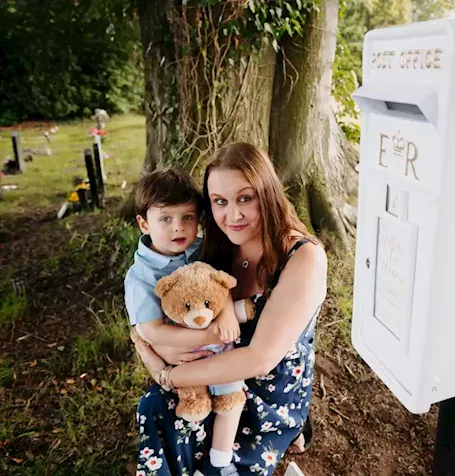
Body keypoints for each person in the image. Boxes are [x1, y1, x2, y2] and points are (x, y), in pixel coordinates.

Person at [132, 142, 328, 476]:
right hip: (215, 372)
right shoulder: (215, 244)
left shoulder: (303, 257)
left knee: (218, 468)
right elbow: (160, 309)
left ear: (267, 194)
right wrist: (142, 341)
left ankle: (287, 434)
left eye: (245, 199)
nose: (232, 216)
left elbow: (259, 359)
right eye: (219, 202)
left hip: (268, 394)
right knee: (156, 410)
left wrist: (167, 374)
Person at [124, 169, 246, 474]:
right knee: (185, 411)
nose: (178, 228)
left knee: (231, 398)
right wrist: (209, 337)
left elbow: (220, 287)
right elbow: (150, 329)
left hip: (217, 355)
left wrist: (228, 314)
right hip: (181, 359)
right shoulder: (141, 276)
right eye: (165, 219)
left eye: (188, 217)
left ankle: (220, 463)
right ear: (144, 223)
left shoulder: (200, 250)